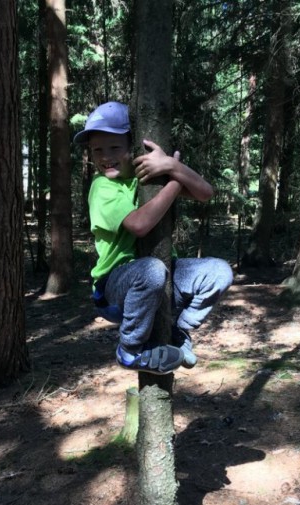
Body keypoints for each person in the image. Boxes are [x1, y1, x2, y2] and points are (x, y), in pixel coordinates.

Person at [74, 101, 233, 374]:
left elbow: (205, 193)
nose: (105, 156)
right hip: (115, 285)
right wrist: (175, 180)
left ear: (133, 147)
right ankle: (129, 350)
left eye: (114, 147)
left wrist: (171, 165)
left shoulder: (148, 179)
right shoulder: (102, 186)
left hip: (162, 278)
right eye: (97, 149)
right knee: (151, 269)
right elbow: (140, 225)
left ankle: (177, 331)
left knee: (219, 272)